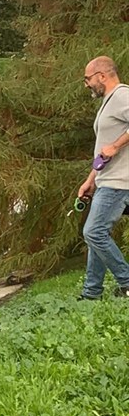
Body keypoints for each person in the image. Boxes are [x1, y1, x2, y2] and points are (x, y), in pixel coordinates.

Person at [77, 56, 129, 299]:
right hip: (105, 179)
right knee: (97, 235)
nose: (86, 84)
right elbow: (103, 151)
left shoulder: (121, 95)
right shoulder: (108, 102)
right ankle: (91, 293)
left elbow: (111, 148)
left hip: (120, 181)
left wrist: (117, 146)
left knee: (94, 232)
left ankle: (127, 281)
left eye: (87, 79)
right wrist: (90, 180)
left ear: (102, 75)